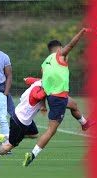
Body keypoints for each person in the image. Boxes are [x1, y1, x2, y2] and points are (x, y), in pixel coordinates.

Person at [23, 28, 89, 166]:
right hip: (58, 99)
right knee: (51, 130)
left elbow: (43, 83)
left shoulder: (45, 63)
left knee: (74, 105)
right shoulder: (60, 55)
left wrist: (43, 105)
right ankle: (33, 154)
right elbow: (71, 45)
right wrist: (82, 32)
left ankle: (84, 124)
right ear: (59, 48)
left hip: (54, 97)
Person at [0, 78, 44, 166]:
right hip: (20, 121)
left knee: (34, 134)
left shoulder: (39, 82)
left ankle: (5, 137)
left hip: (22, 116)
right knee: (10, 146)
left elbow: (28, 80)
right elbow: (37, 96)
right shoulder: (40, 89)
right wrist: (47, 91)